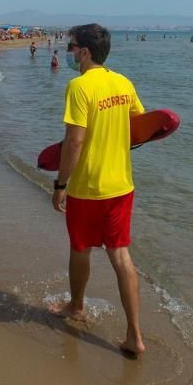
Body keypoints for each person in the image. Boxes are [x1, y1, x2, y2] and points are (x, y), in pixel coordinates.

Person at [49, 23, 146, 356]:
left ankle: (76, 307)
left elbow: (74, 142)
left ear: (85, 52)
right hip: (122, 186)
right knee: (121, 256)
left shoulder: (79, 86)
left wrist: (61, 184)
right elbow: (139, 129)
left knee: (80, 249)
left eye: (71, 47)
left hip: (89, 188)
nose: (70, 53)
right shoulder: (123, 82)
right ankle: (135, 335)